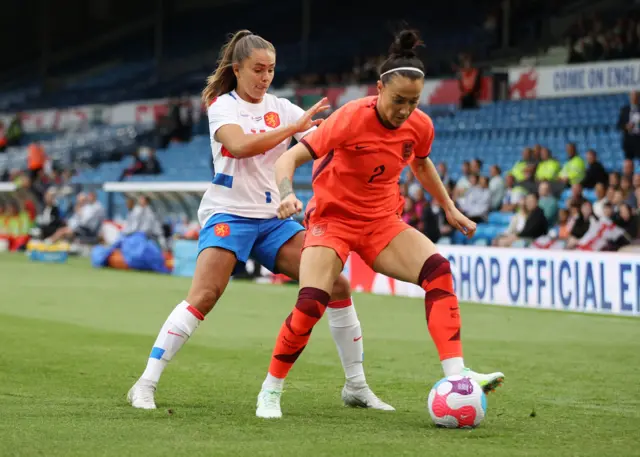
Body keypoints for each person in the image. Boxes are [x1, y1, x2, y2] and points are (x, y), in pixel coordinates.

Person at [127, 30, 392, 411]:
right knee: (204, 295)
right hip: (228, 215)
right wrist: (293, 128)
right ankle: (145, 383)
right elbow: (239, 146)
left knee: (336, 285)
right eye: (258, 69)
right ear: (237, 69)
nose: (265, 77)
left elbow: (322, 141)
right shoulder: (223, 106)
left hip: (273, 221)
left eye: (270, 70)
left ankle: (356, 386)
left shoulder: (282, 107)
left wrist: (366, 125)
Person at [255, 29, 504, 419]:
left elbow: (421, 163)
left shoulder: (420, 125)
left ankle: (457, 375)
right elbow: (286, 160)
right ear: (378, 89)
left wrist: (449, 207)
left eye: (413, 101)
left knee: (438, 271)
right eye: (398, 100)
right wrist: (287, 192)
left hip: (381, 222)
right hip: (333, 220)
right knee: (311, 302)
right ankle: (271, 389)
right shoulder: (351, 117)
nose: (405, 110)